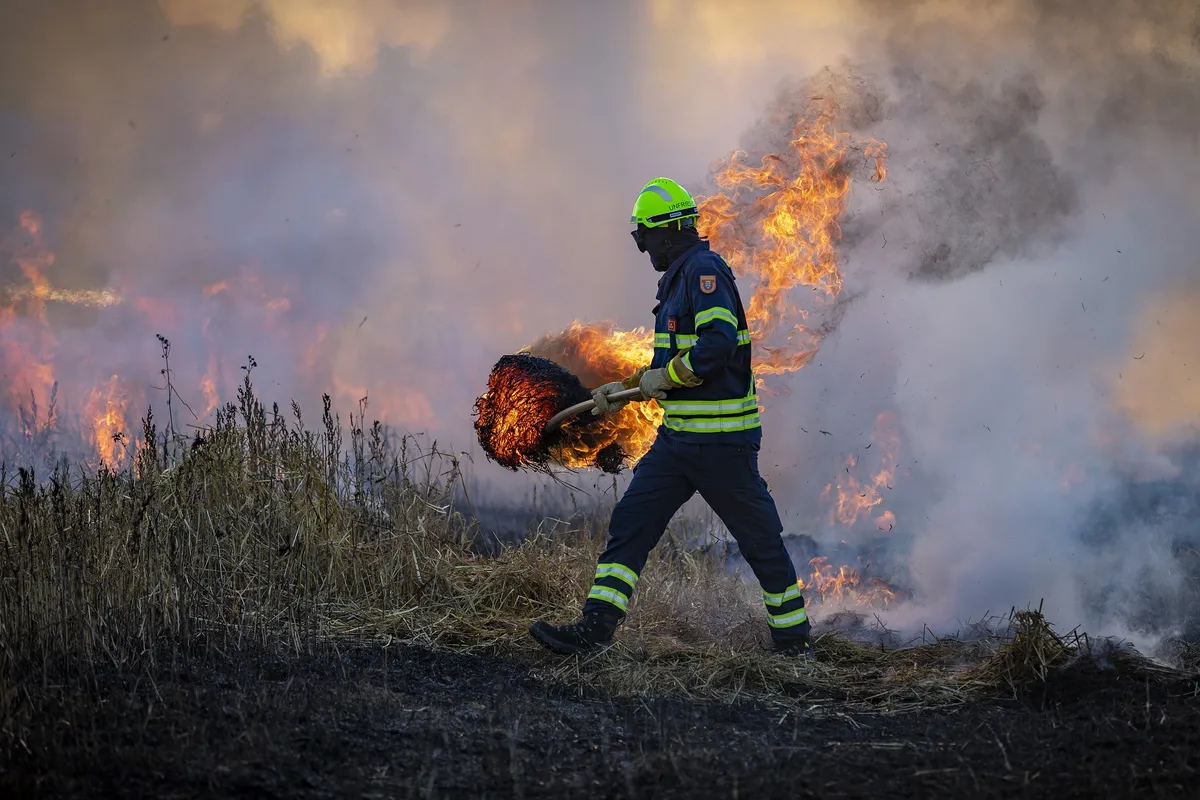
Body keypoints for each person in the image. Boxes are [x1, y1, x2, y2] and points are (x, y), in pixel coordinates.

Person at [529, 177, 813, 658]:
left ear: (666, 232)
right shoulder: (679, 279)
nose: (646, 252)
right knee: (631, 524)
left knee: (759, 542)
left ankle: (793, 642)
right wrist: (629, 388)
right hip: (678, 444)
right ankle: (594, 630)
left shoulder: (704, 273)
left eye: (645, 240)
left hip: (722, 446)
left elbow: (716, 347)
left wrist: (668, 377)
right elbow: (673, 365)